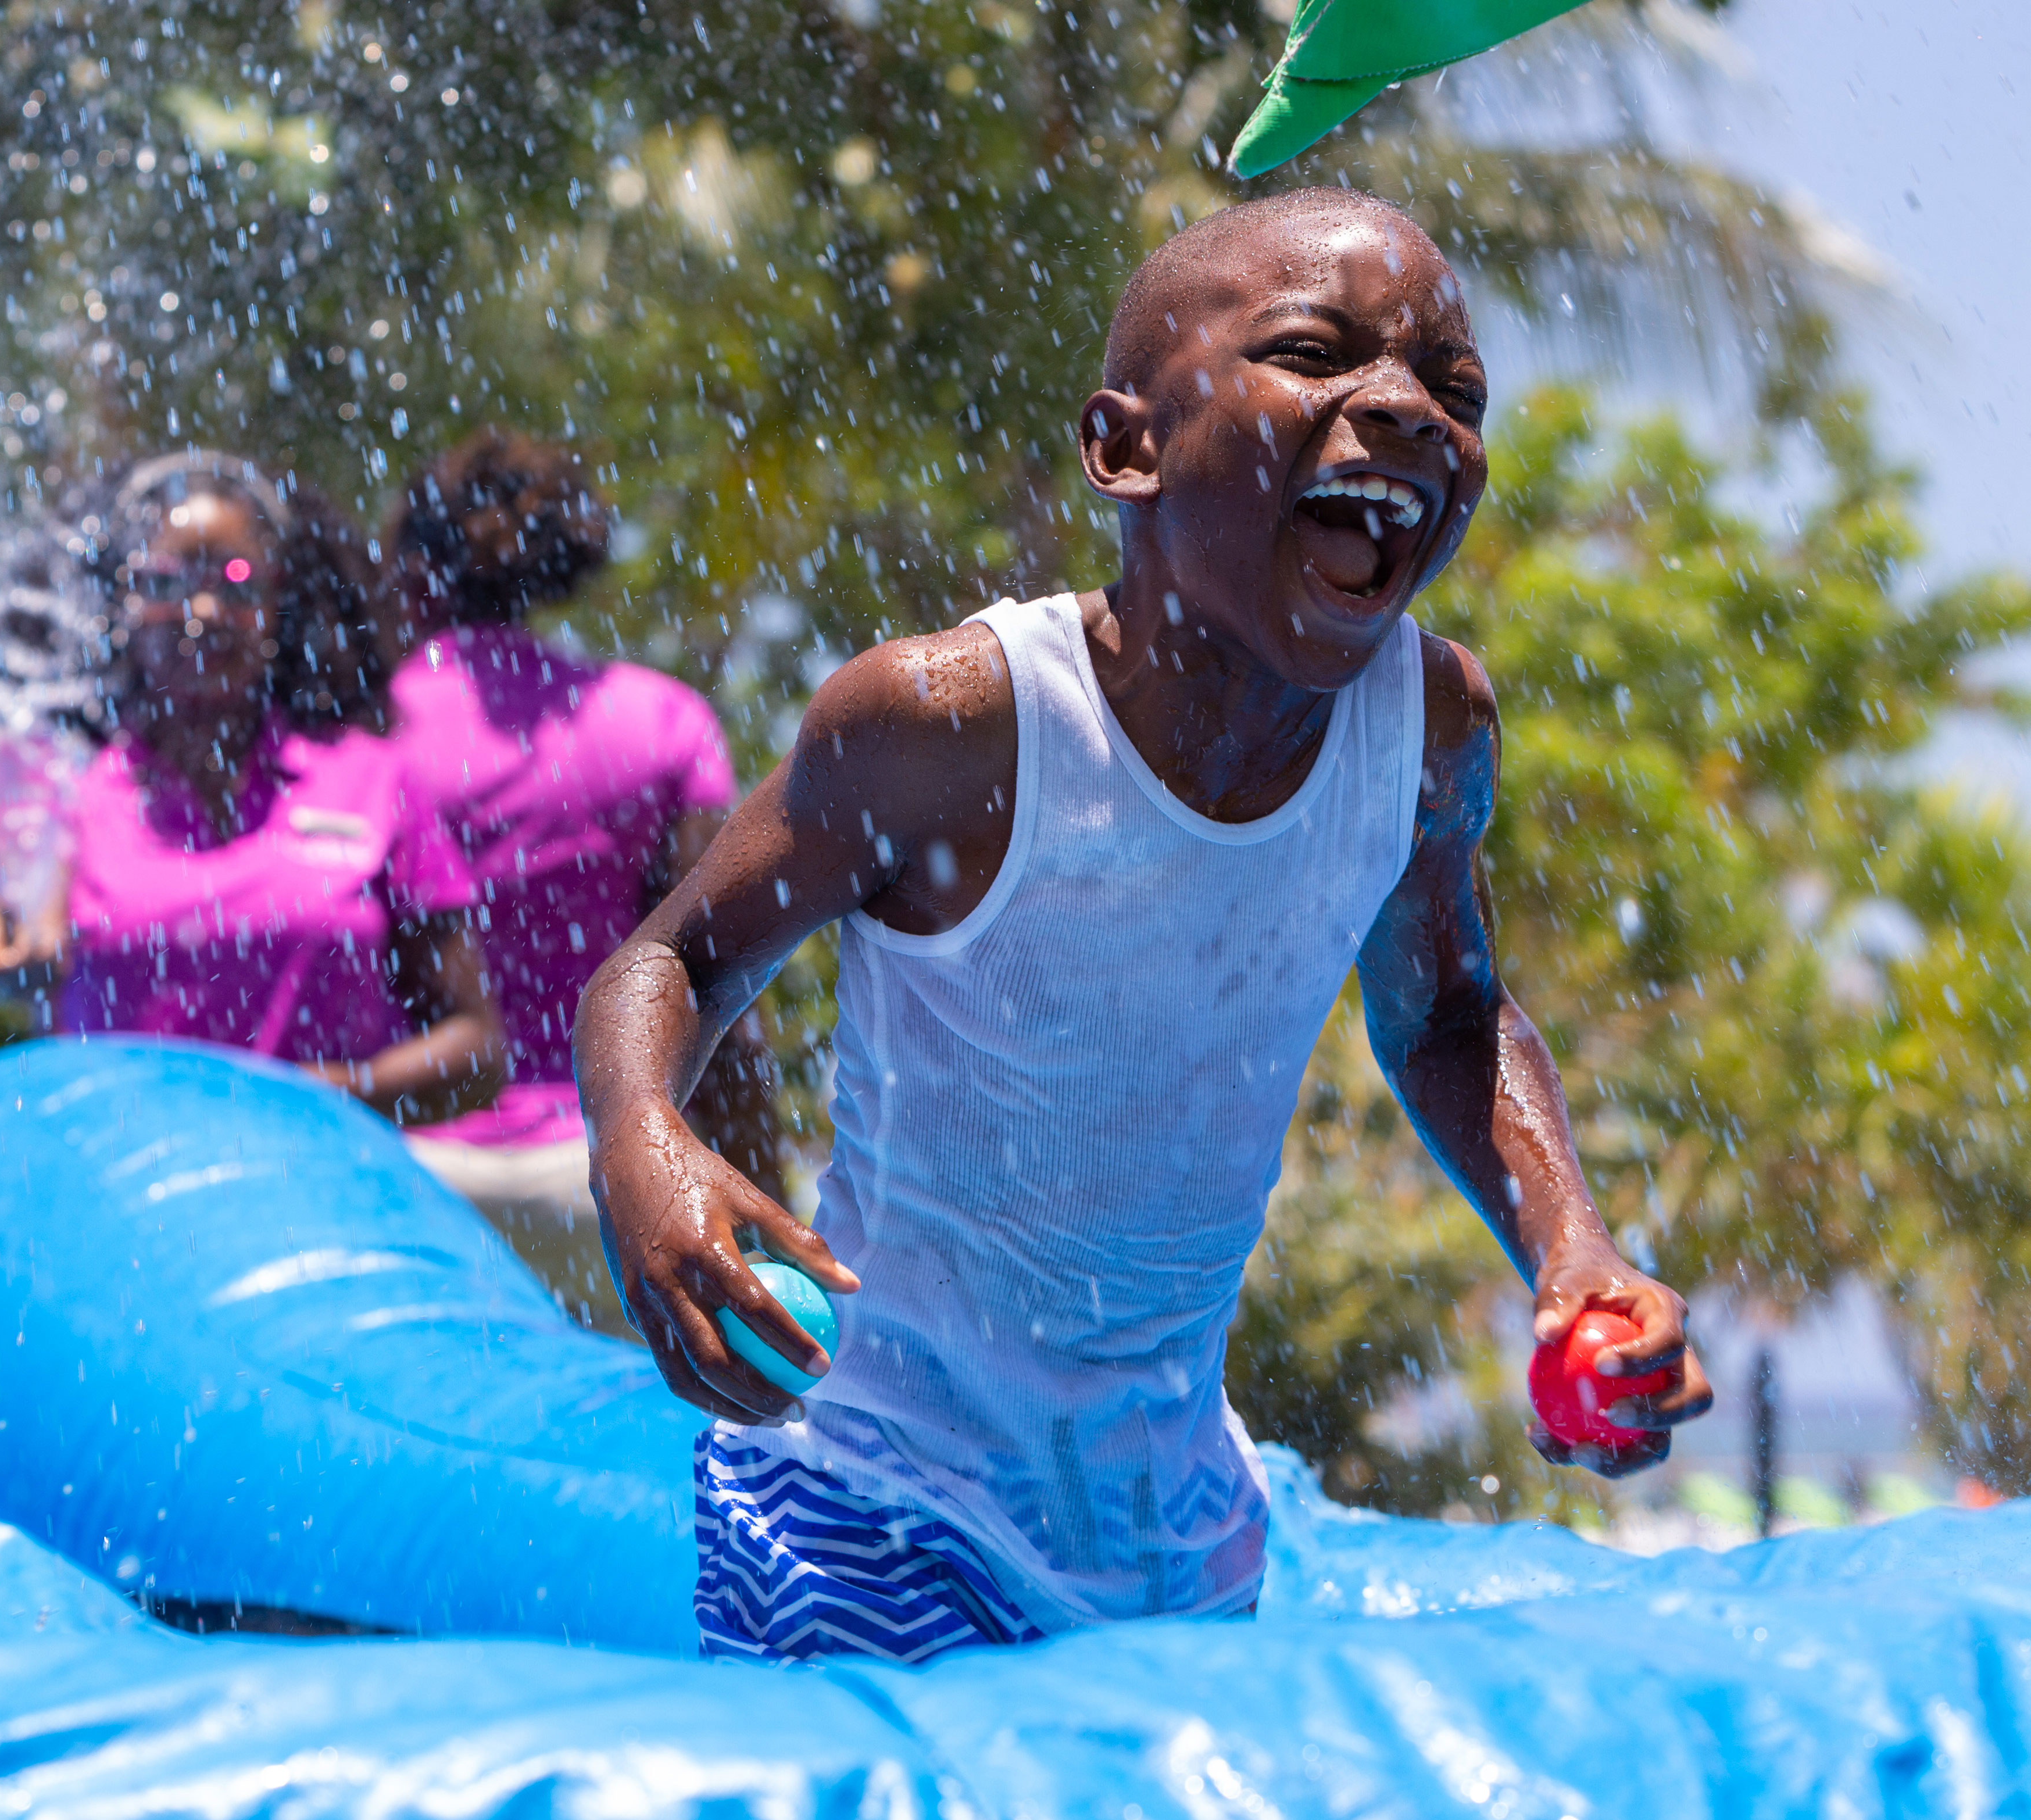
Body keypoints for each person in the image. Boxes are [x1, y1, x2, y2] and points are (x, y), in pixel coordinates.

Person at [574, 187, 1712, 1667]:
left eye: (1451, 389)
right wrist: (642, 1149)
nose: (1409, 414)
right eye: (1313, 353)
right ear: (1124, 450)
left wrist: (1570, 1246)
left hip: (1172, 1526)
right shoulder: (957, 726)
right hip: (866, 1496)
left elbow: (1442, 1015)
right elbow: (666, 961)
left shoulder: (1424, 727)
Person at [380, 431, 778, 1331]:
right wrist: (759, 1214)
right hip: (600, 1182)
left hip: (411, 1190)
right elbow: (714, 984)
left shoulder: (364, 734)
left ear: (414, 567)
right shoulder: (660, 721)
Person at [0, 452, 501, 1122]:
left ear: (278, 600)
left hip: (323, 1190)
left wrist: (327, 1097)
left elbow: (478, 1053)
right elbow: (11, 942)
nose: (203, 609)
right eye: (168, 582)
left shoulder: (373, 782)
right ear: (123, 602)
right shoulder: (66, 805)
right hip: (127, 1199)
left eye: (237, 583)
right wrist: (4, 952)